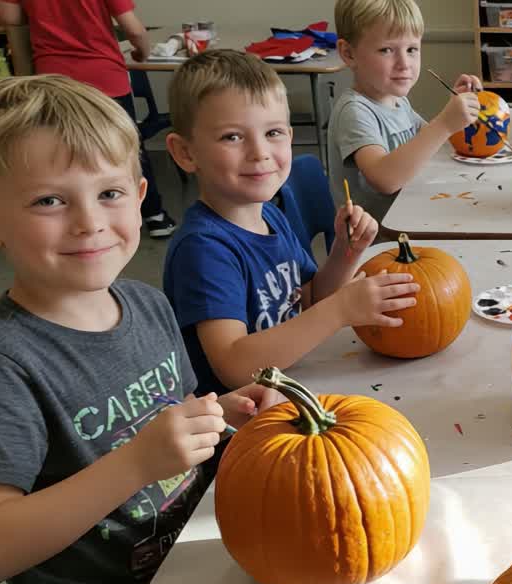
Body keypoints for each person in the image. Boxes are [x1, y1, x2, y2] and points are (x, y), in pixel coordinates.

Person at [0, 75, 276, 584]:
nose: (89, 223)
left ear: (141, 195)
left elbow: (167, 430)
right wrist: (136, 464)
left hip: (190, 569)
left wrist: (222, 417)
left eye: (109, 193)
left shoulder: (148, 306)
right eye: (49, 201)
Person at [162, 50, 414, 396]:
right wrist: (340, 310)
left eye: (273, 133)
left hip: (296, 385)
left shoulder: (269, 214)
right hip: (244, 430)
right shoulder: (204, 250)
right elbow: (235, 366)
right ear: (185, 153)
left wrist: (345, 252)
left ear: (290, 137)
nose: (260, 152)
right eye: (232, 137)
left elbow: (307, 300)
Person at [0, 0, 178, 237]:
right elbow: (134, 30)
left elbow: (11, 18)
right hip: (105, 77)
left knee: (63, 153)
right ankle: (154, 216)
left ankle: (69, 219)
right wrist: (142, 52)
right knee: (127, 149)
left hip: (54, 80)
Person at [328, 0, 481, 220]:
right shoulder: (355, 112)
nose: (404, 63)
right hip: (379, 241)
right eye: (386, 50)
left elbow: (433, 147)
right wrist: (445, 122)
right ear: (349, 53)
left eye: (411, 49)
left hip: (411, 217)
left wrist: (456, 113)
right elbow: (384, 179)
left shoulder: (397, 102)